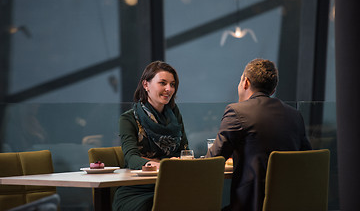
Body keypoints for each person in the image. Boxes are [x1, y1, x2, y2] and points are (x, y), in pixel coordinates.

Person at [206, 58, 312, 211]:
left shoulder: (237, 111)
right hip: (291, 203)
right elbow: (306, 159)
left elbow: (213, 159)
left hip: (250, 205)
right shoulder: (295, 115)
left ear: (245, 82)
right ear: (273, 90)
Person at [112, 61, 188, 211]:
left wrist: (167, 165)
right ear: (146, 85)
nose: (169, 89)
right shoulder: (129, 118)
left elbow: (184, 151)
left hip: (170, 185)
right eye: (163, 83)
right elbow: (131, 158)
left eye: (172, 84)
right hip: (137, 190)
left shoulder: (174, 114)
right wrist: (163, 166)